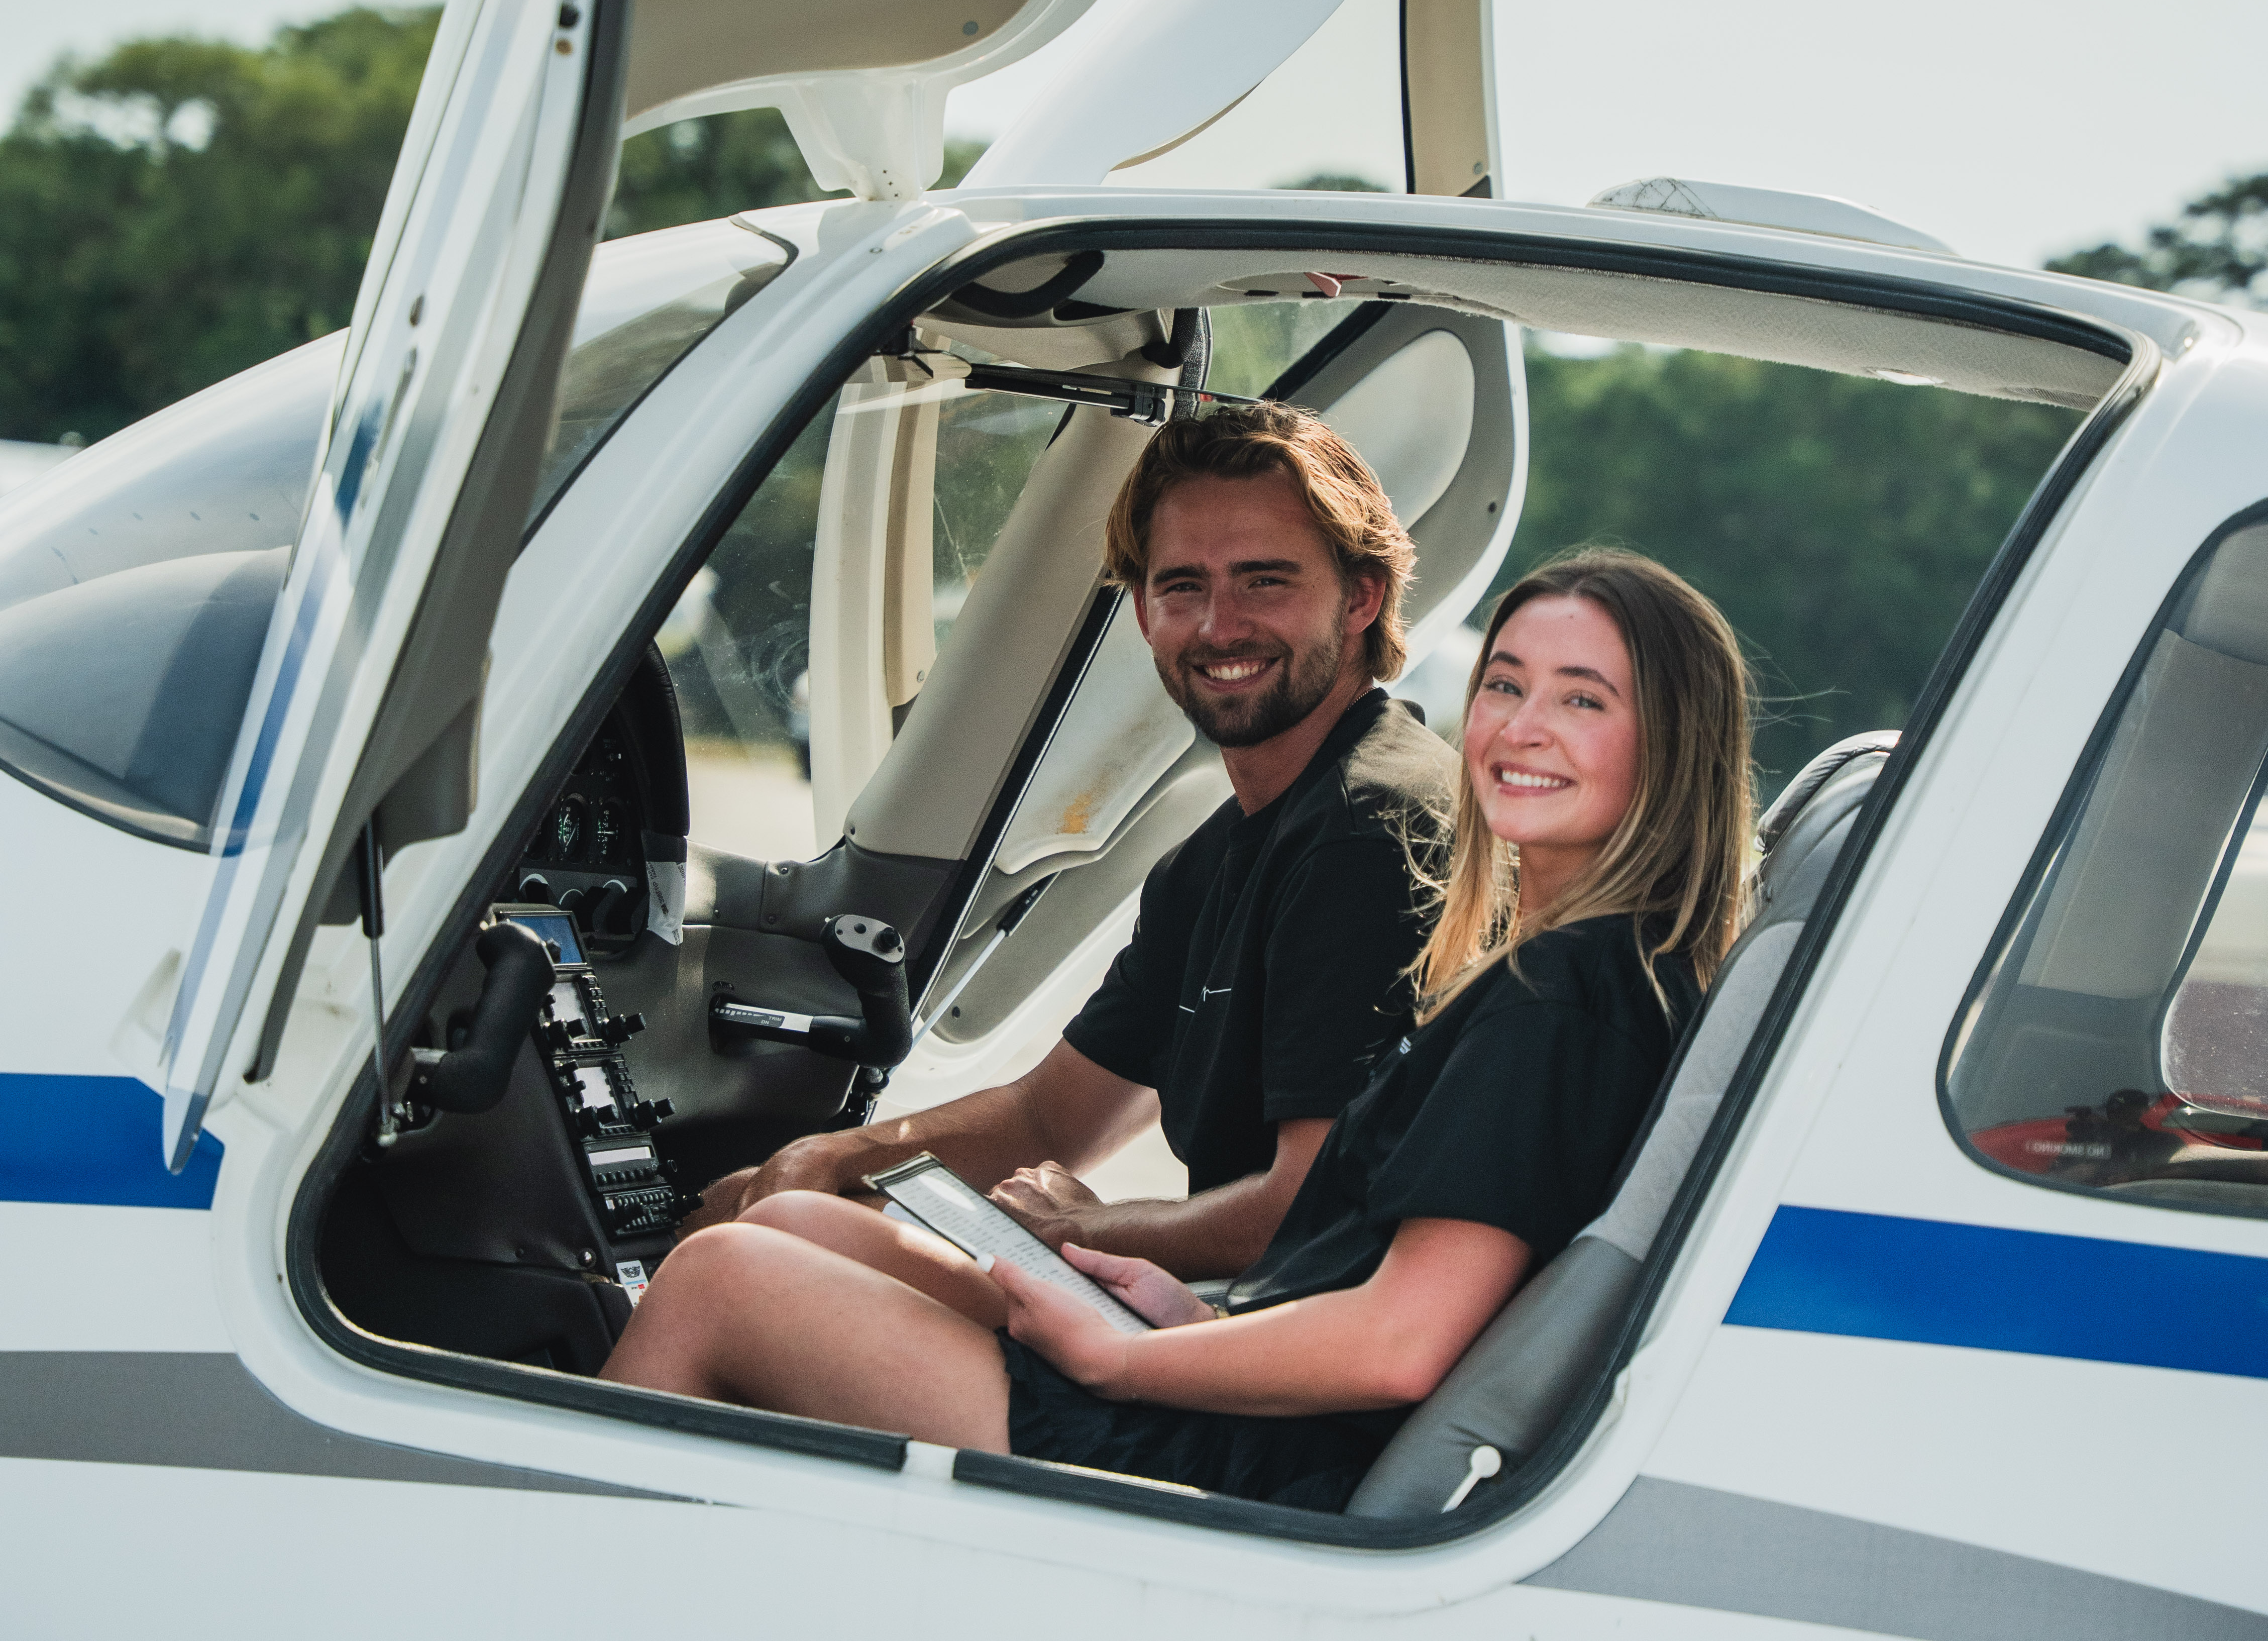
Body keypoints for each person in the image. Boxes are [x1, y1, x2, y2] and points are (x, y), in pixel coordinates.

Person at [604, 550, 1755, 1514]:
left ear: (1671, 744)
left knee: (721, 1278)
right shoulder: (1582, 969)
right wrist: (1189, 1307)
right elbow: (1353, 1269)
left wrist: (1133, 1355)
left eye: (1583, 699)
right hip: (1252, 1394)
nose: (1521, 728)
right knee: (808, 1220)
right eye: (1506, 685)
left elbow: (1403, 1340)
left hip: (1266, 1467)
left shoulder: (1563, 999)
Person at [691, 405, 1457, 1281]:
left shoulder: (1370, 827)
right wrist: (828, 1160)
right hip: (1222, 1309)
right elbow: (1048, 1121)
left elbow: (1313, 1209)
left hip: (1279, 1355)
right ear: (1142, 611)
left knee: (746, 1268)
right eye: (1182, 587)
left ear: (1361, 596)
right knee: (750, 1212)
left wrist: (1087, 1231)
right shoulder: (1220, 857)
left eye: (1265, 581)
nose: (1218, 627)